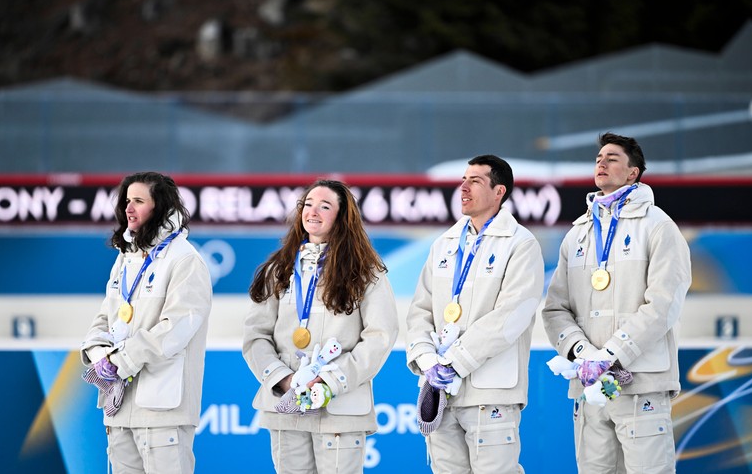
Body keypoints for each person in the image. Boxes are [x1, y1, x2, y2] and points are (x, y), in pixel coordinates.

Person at [542, 132, 692, 473]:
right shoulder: (577, 233)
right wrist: (585, 355)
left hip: (641, 385)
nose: (601, 162)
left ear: (633, 173)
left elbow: (663, 304)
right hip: (589, 388)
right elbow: (554, 309)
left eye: (611, 158)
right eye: (598, 158)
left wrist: (611, 355)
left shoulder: (658, 226)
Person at [243, 178, 399, 474]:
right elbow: (256, 336)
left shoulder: (366, 271)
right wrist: (285, 380)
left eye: (324, 206)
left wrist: (330, 381)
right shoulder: (280, 268)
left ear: (342, 218)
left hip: (341, 408)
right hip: (287, 407)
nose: (312, 212)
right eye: (308, 204)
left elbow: (381, 336)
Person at [406, 154, 544, 474]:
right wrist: (429, 362)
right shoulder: (444, 244)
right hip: (441, 393)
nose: (464, 187)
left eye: (476, 181)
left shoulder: (521, 244)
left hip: (490, 393)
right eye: (463, 180)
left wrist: (454, 362)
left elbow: (512, 315)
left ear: (500, 192)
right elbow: (419, 312)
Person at [80, 171, 213, 474]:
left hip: (162, 410)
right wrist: (99, 354)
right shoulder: (126, 257)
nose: (129, 208)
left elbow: (177, 329)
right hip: (119, 407)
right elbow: (104, 318)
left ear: (161, 206)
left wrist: (120, 361)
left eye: (138, 201)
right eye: (127, 201)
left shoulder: (185, 259)